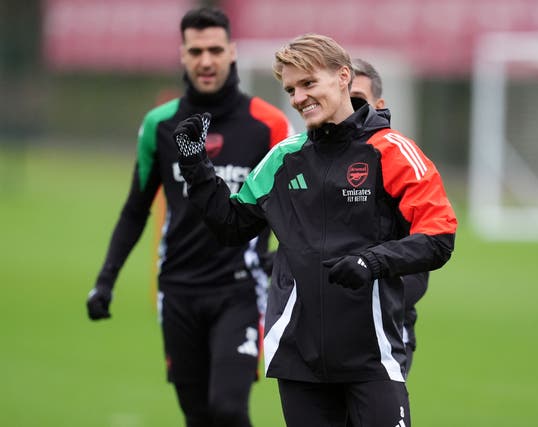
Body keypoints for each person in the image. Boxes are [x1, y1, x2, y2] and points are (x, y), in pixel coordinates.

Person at [172, 34, 457, 427]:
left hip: (371, 356)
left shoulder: (392, 151)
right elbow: (231, 225)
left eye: (308, 84)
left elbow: (439, 236)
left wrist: (370, 261)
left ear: (343, 77)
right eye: (290, 89)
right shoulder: (284, 158)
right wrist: (196, 167)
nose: (298, 97)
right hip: (297, 357)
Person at [86, 7, 291, 427]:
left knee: (229, 410)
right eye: (196, 50)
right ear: (182, 54)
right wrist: (106, 279)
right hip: (177, 289)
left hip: (239, 287)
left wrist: (283, 257)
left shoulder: (268, 124)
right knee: (198, 417)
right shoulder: (158, 125)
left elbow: (292, 204)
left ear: (232, 51)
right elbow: (134, 209)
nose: (206, 60)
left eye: (215, 49)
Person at [350, 58, 429, 376]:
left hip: (386, 330)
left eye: (357, 100)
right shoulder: (303, 159)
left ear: (378, 104)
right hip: (317, 337)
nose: (349, 108)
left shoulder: (398, 159)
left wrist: (377, 297)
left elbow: (426, 248)